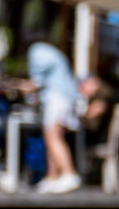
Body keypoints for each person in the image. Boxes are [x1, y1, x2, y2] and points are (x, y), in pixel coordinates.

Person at [24, 41, 85, 194]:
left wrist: (23, 86)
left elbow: (36, 81)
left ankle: (69, 173)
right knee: (53, 138)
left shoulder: (36, 50)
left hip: (58, 98)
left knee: (53, 137)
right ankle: (52, 177)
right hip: (65, 97)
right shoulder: (53, 52)